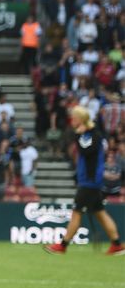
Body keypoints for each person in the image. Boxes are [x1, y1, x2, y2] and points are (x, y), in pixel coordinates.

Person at [45, 106, 125, 256]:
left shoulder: (93, 135)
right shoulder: (88, 135)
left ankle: (63, 246)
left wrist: (77, 136)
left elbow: (85, 151)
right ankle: (116, 244)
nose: (72, 120)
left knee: (76, 213)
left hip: (90, 182)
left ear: (81, 119)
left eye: (74, 118)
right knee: (100, 213)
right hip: (90, 181)